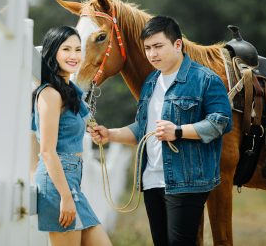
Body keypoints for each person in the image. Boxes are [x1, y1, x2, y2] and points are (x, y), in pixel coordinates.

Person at [89, 16, 232, 246]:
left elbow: (221, 123)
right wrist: (111, 134)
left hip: (186, 181)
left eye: (158, 46)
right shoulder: (150, 83)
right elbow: (142, 128)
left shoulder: (205, 79)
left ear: (177, 45)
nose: (152, 54)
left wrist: (178, 131)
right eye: (147, 48)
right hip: (151, 180)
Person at [32, 26, 112, 246]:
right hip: (57, 183)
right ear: (52, 52)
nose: (74, 55)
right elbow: (47, 152)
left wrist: (96, 129)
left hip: (72, 183)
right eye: (66, 49)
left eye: (78, 49)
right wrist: (65, 197)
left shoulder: (70, 90)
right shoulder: (49, 94)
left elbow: (86, 116)